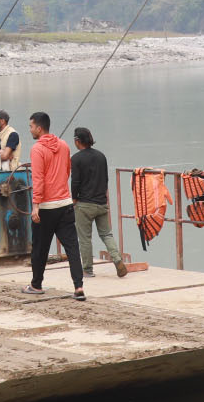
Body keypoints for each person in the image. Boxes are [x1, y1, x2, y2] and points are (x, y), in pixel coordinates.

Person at [21, 112, 84, 300]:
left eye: (31, 126)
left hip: (46, 207)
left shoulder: (37, 149)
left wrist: (35, 206)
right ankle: (79, 287)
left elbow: (38, 179)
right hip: (64, 204)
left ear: (39, 128)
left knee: (40, 248)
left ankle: (36, 284)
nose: (30, 130)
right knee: (72, 247)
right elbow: (66, 172)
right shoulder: (64, 146)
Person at [71, 126, 128, 279]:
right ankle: (117, 260)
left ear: (77, 141)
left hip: (84, 205)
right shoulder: (101, 156)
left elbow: (75, 182)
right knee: (107, 234)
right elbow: (105, 179)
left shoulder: (76, 159)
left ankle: (88, 270)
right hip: (101, 202)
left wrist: (74, 199)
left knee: (85, 238)